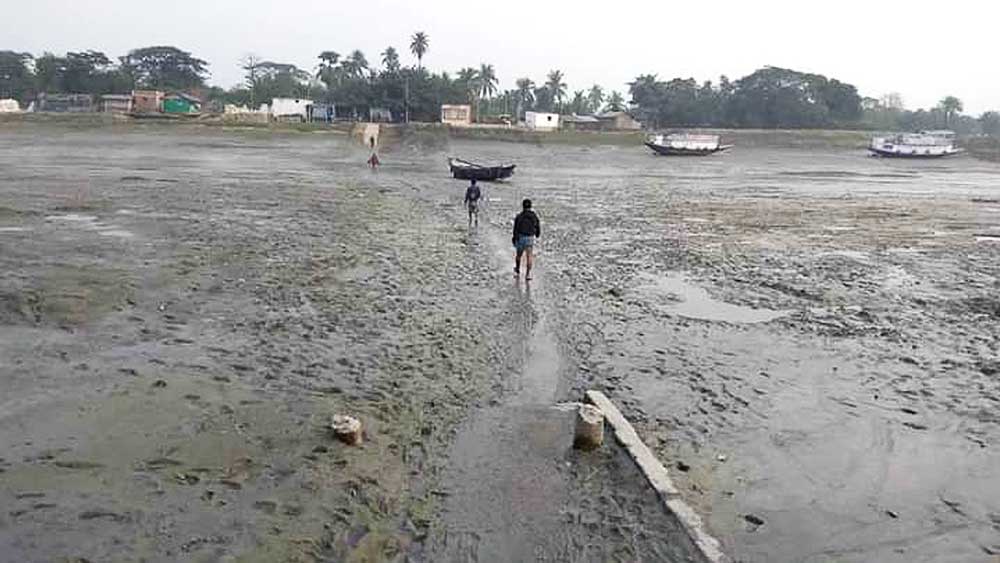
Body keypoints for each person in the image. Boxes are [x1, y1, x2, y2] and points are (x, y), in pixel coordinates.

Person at [512, 198, 541, 280]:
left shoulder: (520, 216)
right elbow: (537, 225)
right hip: (530, 238)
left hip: (521, 237)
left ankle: (517, 270)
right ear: (531, 206)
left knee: (519, 255)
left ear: (523, 206)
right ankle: (528, 274)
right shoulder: (534, 216)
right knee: (529, 257)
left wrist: (514, 238)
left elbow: (516, 228)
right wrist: (537, 234)